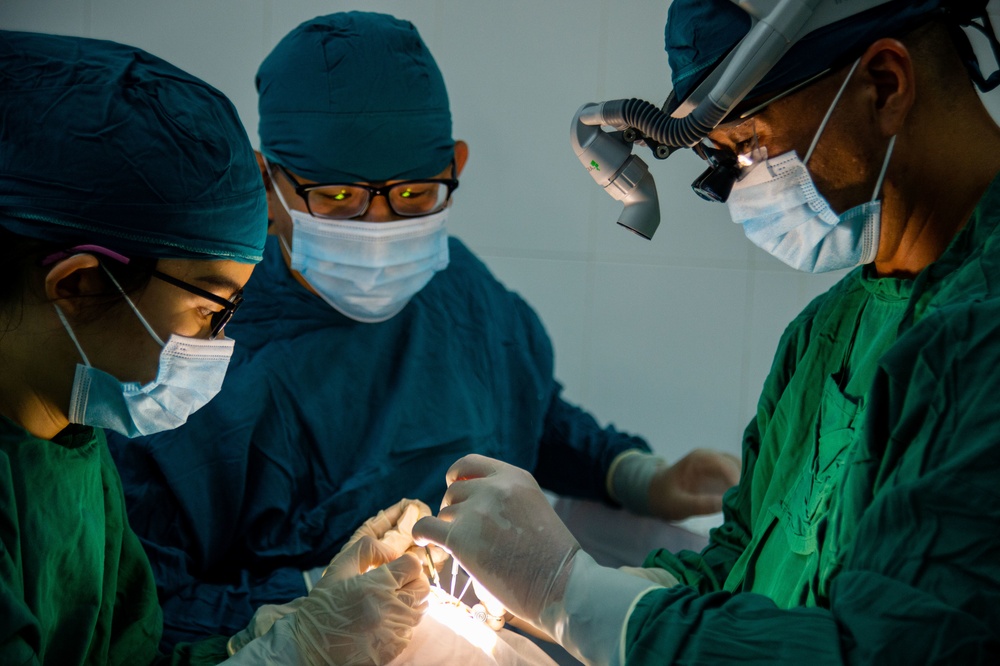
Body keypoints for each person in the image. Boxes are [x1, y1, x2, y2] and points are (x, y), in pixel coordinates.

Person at [105, 10, 741, 647]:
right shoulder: (196, 346)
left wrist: (640, 478)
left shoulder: (458, 291)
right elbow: (145, 611)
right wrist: (310, 604)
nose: (378, 228)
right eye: (336, 197)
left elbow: (529, 414)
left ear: (455, 167)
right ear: (267, 186)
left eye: (412, 196)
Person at [413, 0, 1000, 663]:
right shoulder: (827, 334)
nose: (739, 192)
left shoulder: (980, 343)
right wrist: (604, 593)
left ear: (885, 85)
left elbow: (891, 650)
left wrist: (570, 592)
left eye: (747, 145)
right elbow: (739, 567)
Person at [0, 30, 427, 666]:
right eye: (209, 310)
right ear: (80, 283)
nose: (217, 345)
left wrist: (287, 636)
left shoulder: (71, 449)